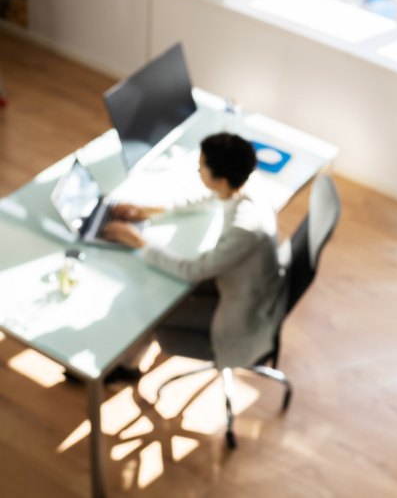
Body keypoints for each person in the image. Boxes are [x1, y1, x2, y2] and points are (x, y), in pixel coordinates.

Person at [102, 133, 285, 380]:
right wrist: (153, 210)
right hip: (247, 282)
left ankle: (127, 368)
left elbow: (192, 271)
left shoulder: (245, 229)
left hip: (243, 312)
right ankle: (129, 361)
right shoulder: (246, 180)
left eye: (201, 167)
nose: (198, 170)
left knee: (151, 306)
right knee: (159, 285)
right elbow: (209, 198)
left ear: (220, 180)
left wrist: (140, 242)